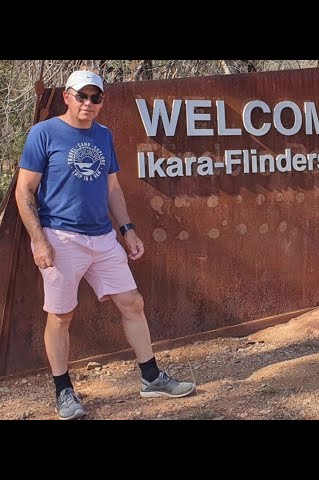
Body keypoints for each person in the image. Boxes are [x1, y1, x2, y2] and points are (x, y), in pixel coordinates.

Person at [14, 69, 196, 420]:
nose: (88, 103)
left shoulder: (103, 135)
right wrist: (39, 240)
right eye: (82, 96)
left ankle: (151, 378)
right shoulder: (44, 133)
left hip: (102, 237)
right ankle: (63, 390)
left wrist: (127, 230)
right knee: (61, 315)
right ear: (67, 96)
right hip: (60, 236)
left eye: (95, 97)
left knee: (132, 302)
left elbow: (112, 188)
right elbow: (24, 190)